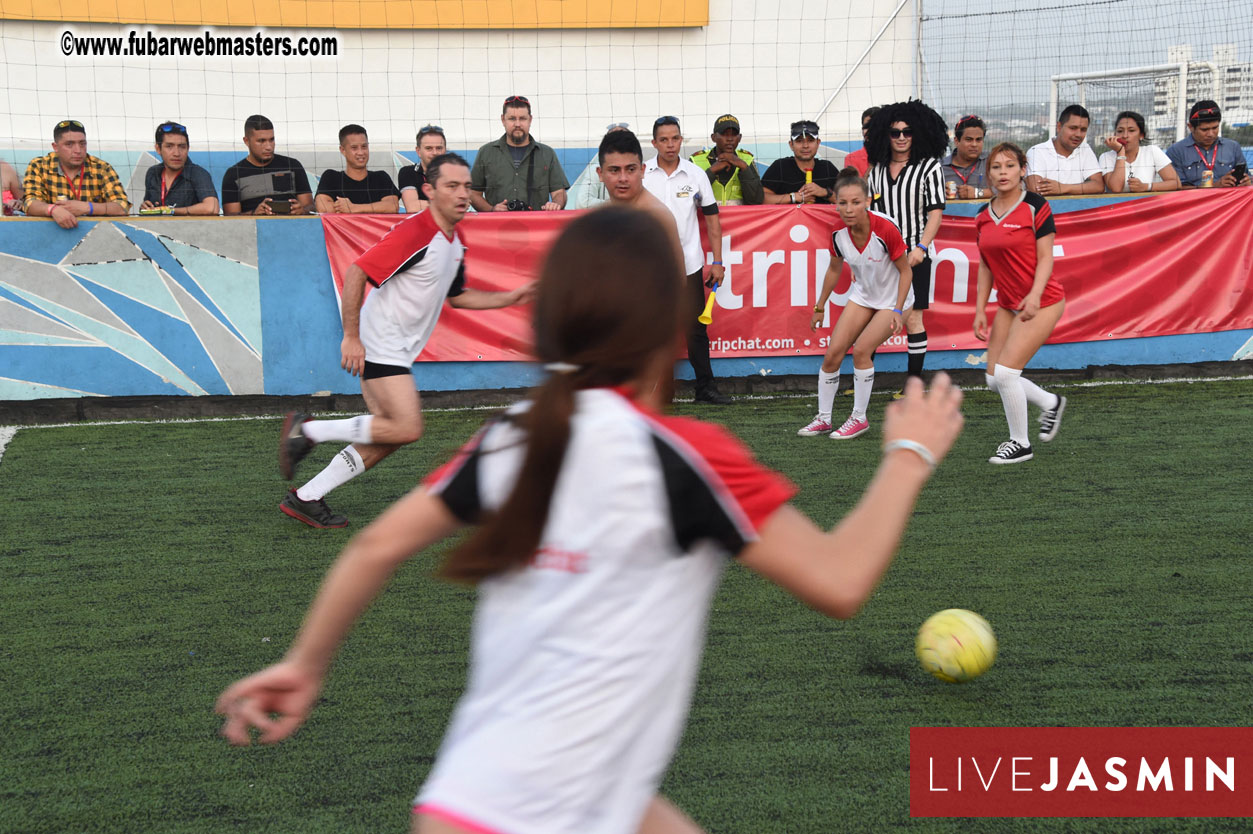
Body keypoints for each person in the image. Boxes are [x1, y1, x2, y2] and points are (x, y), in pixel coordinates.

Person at [216, 205, 966, 834]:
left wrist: (304, 665)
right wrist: (906, 456)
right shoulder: (683, 454)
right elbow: (839, 581)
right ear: (669, 318)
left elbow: (374, 548)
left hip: (464, 805)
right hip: (546, 808)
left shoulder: (513, 433)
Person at [276, 153, 533, 528]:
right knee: (408, 427)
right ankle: (309, 431)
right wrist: (351, 337)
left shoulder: (454, 239)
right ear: (429, 190)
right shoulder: (418, 232)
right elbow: (356, 272)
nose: (463, 194)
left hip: (397, 349)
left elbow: (457, 296)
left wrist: (511, 297)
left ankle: (308, 497)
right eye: (452, 186)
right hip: (381, 343)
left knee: (391, 434)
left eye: (466, 186)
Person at [798, 168, 914, 440]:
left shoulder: (886, 228)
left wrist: (898, 310)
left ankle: (859, 418)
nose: (849, 209)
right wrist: (819, 306)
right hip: (863, 295)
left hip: (896, 298)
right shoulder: (837, 232)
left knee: (862, 351)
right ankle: (824, 419)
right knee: (832, 354)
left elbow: (906, 271)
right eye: (842, 203)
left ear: (868, 202)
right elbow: (834, 270)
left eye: (856, 202)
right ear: (835, 203)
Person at [974, 142, 1068, 465]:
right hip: (1007, 304)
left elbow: (1046, 259)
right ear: (989, 175)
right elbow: (986, 265)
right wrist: (979, 311)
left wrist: (1035, 295)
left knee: (1005, 375)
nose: (1003, 173)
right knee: (992, 378)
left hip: (1044, 302)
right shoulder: (982, 215)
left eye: (1010, 166)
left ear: (1022, 170)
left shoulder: (1036, 206)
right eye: (996, 167)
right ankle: (1050, 402)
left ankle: (1020, 443)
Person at [644, 116, 731, 405]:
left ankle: (705, 388)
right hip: (652, 268)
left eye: (675, 138)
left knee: (695, 329)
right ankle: (660, 390)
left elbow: (713, 220)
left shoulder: (696, 174)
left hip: (689, 265)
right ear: (654, 142)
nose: (670, 145)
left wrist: (718, 261)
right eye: (664, 139)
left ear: (682, 140)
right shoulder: (642, 174)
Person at [865, 100, 948, 389]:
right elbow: (869, 216)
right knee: (873, 313)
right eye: (894, 132)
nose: (901, 137)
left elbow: (935, 212)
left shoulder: (929, 168)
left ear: (919, 134)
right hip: (881, 256)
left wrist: (922, 248)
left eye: (908, 131)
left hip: (915, 254)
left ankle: (913, 384)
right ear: (883, 135)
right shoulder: (876, 171)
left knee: (913, 319)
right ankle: (864, 377)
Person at [22, 119, 130, 228]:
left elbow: (122, 207)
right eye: (69, 144)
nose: (78, 150)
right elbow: (30, 203)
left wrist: (88, 207)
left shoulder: (101, 168)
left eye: (82, 144)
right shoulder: (40, 166)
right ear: (55, 147)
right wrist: (52, 209)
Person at [469, 95, 569, 212]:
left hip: (537, 227)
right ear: (503, 120)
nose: (517, 124)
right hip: (496, 227)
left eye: (522, 118)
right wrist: (492, 209)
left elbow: (559, 192)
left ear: (530, 120)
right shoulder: (486, 153)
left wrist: (555, 204)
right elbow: (473, 193)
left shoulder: (547, 154)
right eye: (512, 118)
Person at [221, 115, 313, 216]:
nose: (268, 147)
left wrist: (302, 210)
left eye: (271, 140)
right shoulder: (234, 174)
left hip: (292, 228)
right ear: (246, 141)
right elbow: (230, 217)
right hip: (254, 230)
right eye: (261, 141)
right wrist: (254, 214)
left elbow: (310, 206)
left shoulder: (293, 166)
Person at [315, 124, 401, 214]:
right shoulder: (331, 177)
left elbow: (393, 206)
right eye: (354, 148)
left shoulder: (380, 177)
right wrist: (375, 208)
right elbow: (322, 207)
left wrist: (353, 208)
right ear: (342, 150)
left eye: (364, 147)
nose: (360, 152)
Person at [1166, 101, 1252, 190]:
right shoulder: (1176, 151)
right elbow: (1176, 188)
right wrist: (1213, 187)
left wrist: (1247, 182)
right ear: (1190, 127)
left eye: (1215, 128)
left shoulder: (1233, 147)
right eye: (1204, 129)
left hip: (1229, 201)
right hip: (1197, 203)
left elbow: (1248, 177)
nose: (1211, 134)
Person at [140, 121, 219, 216]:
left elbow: (212, 208)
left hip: (190, 230)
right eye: (169, 146)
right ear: (158, 148)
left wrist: (170, 211)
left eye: (182, 147)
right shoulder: (153, 173)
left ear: (188, 148)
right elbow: (150, 209)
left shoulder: (198, 173)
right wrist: (146, 208)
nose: (177, 153)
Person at [1024, 105, 1104, 196]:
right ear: (1059, 127)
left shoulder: (1085, 149)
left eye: (1083, 130)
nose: (1078, 134)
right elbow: (1036, 188)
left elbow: (1099, 186)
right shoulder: (1037, 151)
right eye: (1073, 128)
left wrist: (1063, 188)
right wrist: (1081, 188)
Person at [688, 114, 764, 205]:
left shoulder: (747, 159)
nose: (730, 139)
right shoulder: (696, 160)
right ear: (713, 137)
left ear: (739, 138)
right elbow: (688, 199)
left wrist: (743, 166)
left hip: (739, 219)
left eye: (734, 134)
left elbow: (757, 200)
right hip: (707, 219)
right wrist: (712, 171)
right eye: (724, 134)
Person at [1099, 111, 1180, 194]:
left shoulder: (1152, 151)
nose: (1125, 135)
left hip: (1147, 205)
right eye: (1120, 131)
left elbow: (1176, 183)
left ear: (1141, 135)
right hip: (1116, 206)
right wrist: (1120, 152)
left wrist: (1146, 187)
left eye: (1131, 130)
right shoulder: (1106, 157)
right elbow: (1116, 188)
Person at [761, 120, 840, 204]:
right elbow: (761, 199)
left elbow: (847, 200)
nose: (805, 146)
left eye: (810, 140)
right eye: (799, 141)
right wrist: (794, 197)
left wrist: (825, 192)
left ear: (818, 143)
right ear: (791, 145)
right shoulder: (780, 166)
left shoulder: (827, 167)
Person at [570, 122, 631, 209]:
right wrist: (617, 204)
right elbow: (582, 203)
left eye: (623, 140)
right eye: (614, 141)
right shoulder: (595, 169)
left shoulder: (642, 168)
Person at [399, 125, 446, 214]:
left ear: (445, 150)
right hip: (420, 226)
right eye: (429, 148)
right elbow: (412, 207)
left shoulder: (454, 174)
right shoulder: (408, 172)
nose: (435, 153)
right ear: (418, 151)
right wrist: (450, 205)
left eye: (439, 148)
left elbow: (462, 205)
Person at [942, 114, 989, 200]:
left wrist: (977, 193)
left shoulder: (991, 162)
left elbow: (1012, 189)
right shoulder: (940, 168)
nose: (974, 144)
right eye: (969, 139)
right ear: (956, 141)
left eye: (978, 140)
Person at [843, 106, 879, 176]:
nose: (870, 131)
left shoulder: (895, 155)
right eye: (866, 127)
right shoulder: (851, 158)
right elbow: (855, 186)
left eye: (875, 126)